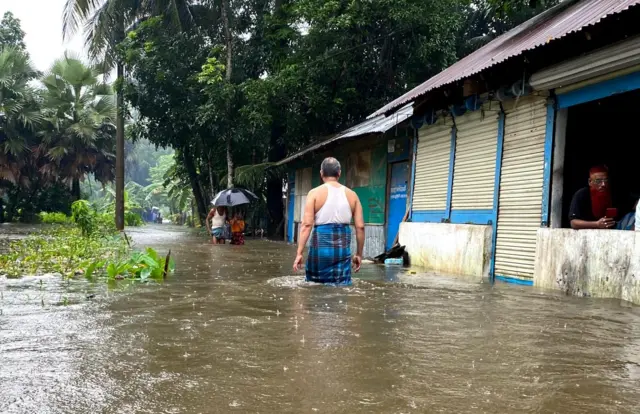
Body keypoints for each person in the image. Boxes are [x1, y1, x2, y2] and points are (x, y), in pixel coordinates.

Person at [292, 157, 365, 285]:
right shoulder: (352, 195)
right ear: (339, 173)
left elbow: (307, 225)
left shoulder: (314, 193)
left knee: (315, 286)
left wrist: (299, 253)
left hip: (320, 248)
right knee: (341, 285)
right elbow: (360, 227)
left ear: (321, 174)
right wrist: (359, 254)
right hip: (342, 250)